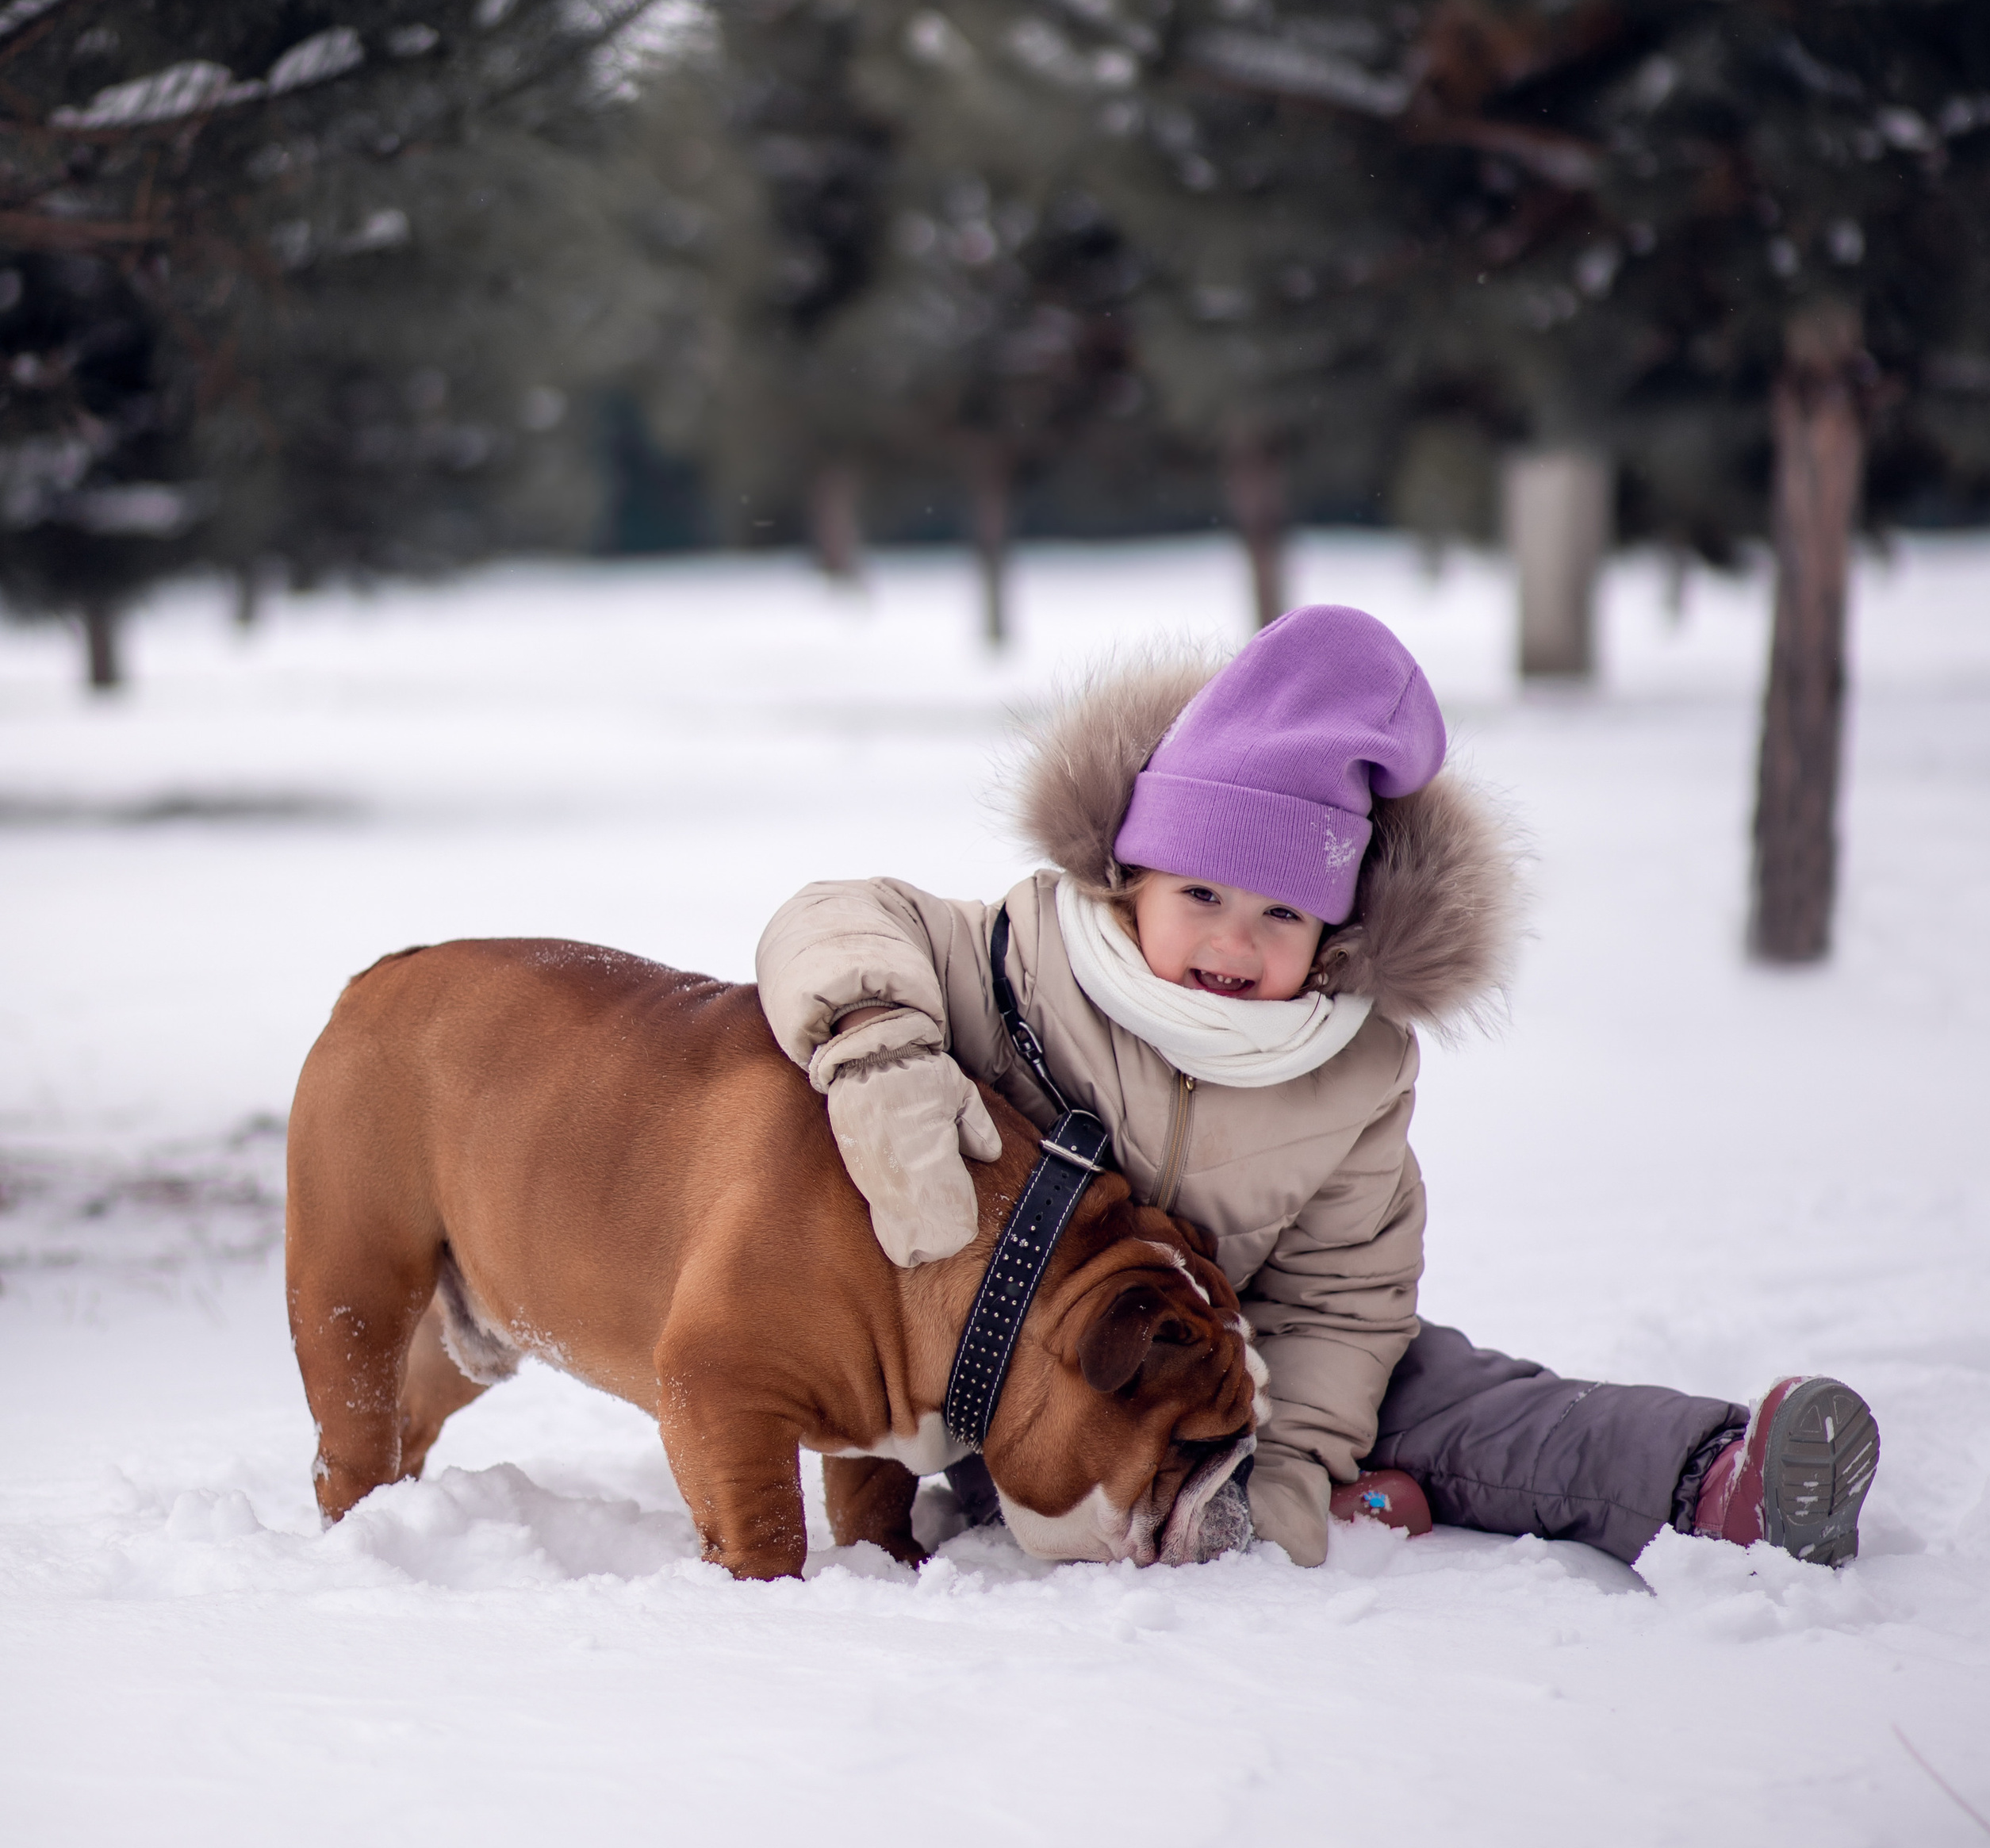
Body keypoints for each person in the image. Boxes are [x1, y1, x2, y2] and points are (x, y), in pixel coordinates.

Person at [755, 606, 1879, 1570]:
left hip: (1254, 1364)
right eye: (1201, 891)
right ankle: (1321, 1502)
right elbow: (835, 915)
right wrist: (876, 1040)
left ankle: (1717, 1478)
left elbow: (1345, 1297)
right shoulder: (1021, 958)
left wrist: (1284, 1489)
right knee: (1101, 1437)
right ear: (1133, 873)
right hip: (1040, 1369)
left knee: (1447, 1396)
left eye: (1281, 914)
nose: (1233, 944)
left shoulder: (1350, 1070)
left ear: (1333, 929)